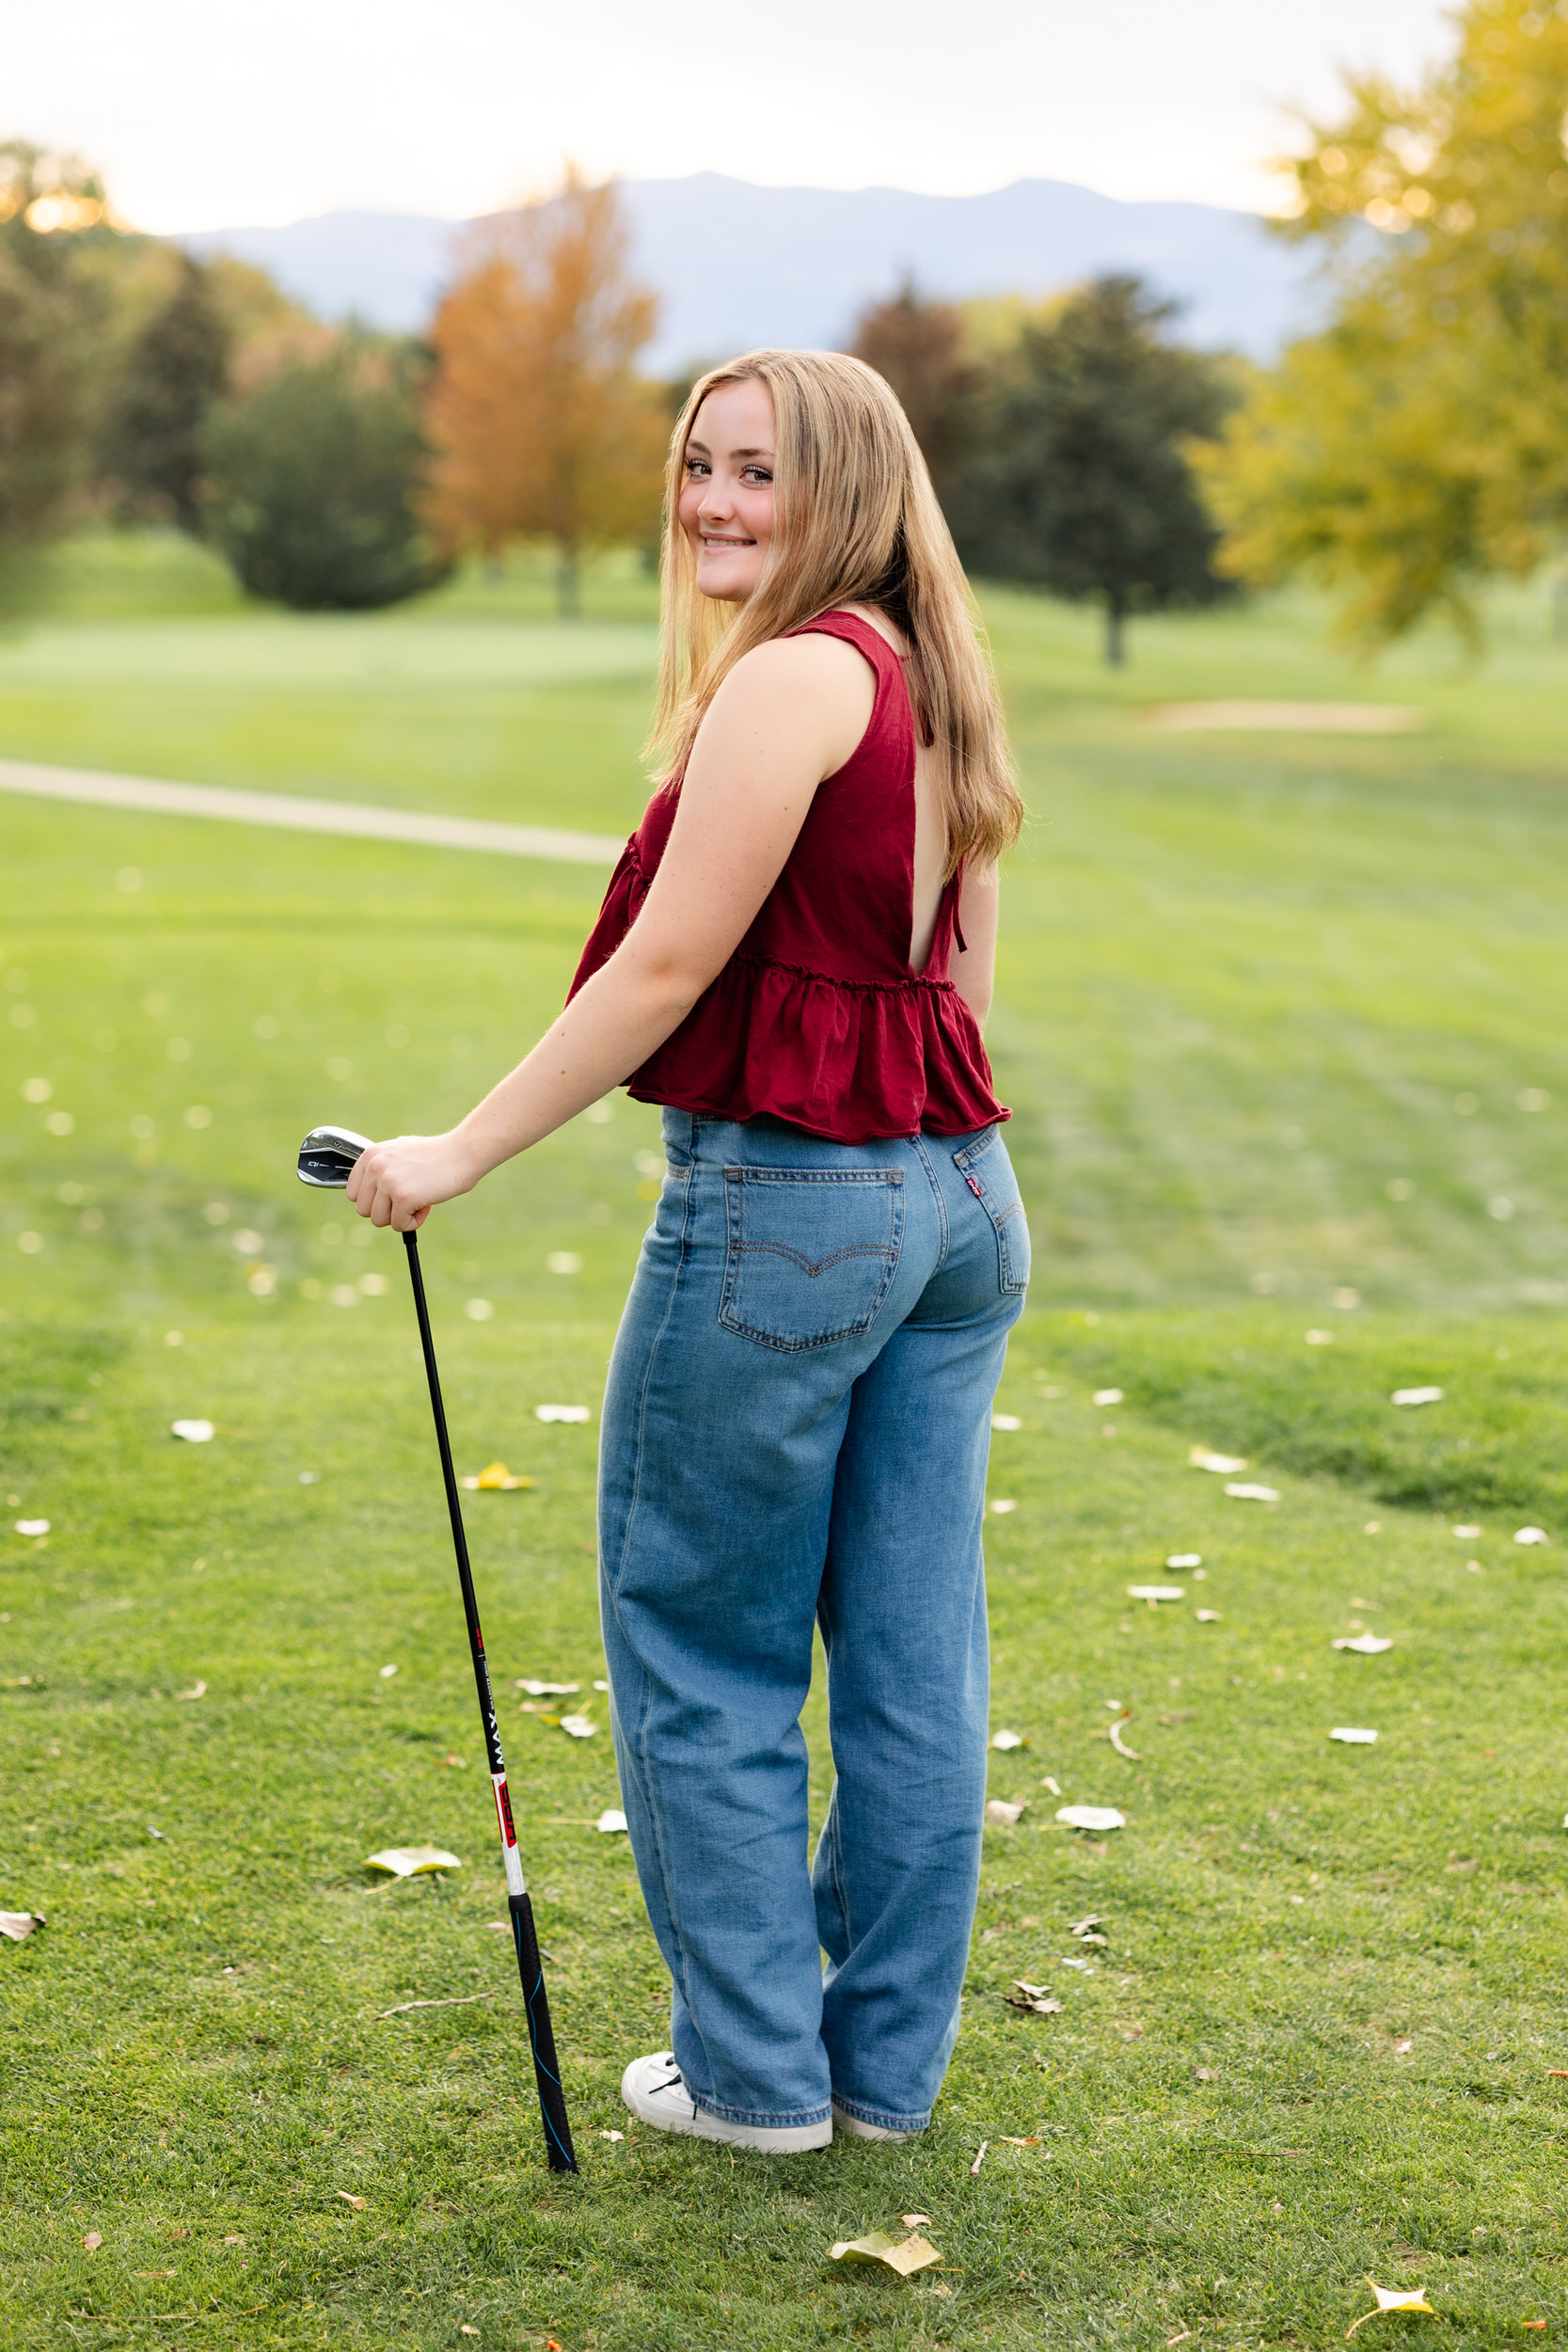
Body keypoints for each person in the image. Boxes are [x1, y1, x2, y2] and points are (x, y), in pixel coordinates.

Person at [346, 347, 1029, 2153]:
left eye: (760, 474)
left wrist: (459, 1149)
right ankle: (876, 2081)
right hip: (959, 1201)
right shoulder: (932, 672)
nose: (716, 503)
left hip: (793, 1208)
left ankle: (753, 2084)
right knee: (910, 1658)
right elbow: (955, 983)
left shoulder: (794, 677)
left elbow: (664, 966)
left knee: (703, 1646)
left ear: (848, 494)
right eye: (700, 465)